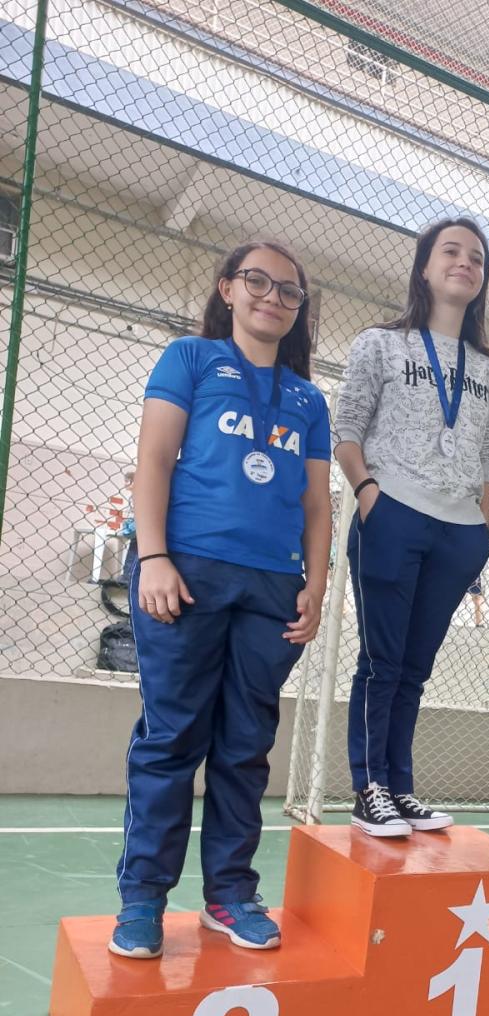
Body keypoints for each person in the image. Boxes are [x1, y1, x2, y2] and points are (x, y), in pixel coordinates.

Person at [109, 240, 332, 959]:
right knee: (172, 736)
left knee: (245, 745)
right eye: (256, 281)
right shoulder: (191, 359)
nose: (273, 297)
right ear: (227, 289)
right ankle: (143, 898)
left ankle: (229, 894)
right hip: (187, 572)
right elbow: (154, 459)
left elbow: (317, 504)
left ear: (299, 310)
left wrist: (317, 584)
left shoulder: (309, 400)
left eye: (289, 291)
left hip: (272, 587)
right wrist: (153, 556)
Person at [333, 218, 489, 837]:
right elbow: (347, 428)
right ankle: (369, 787)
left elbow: (484, 454)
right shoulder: (380, 344)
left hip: (458, 531)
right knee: (382, 660)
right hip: (393, 513)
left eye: (476, 258)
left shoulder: (488, 370)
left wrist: (480, 525)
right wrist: (368, 493)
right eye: (451, 252)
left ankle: (400, 788)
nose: (465, 263)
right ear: (425, 268)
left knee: (415, 667)